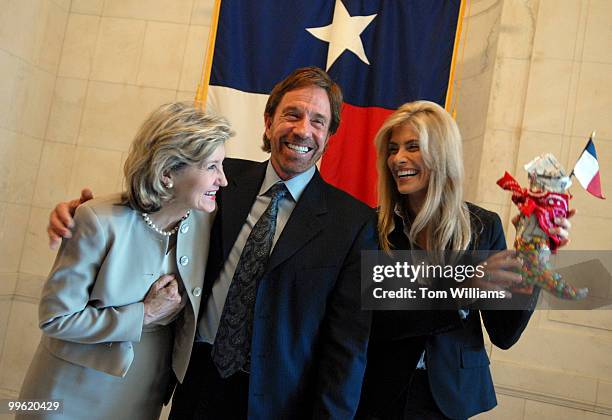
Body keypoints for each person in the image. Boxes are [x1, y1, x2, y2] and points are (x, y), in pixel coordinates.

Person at [47, 67, 378, 419]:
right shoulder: (218, 177)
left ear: (329, 136)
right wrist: (83, 211)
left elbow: (347, 345)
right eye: (292, 114)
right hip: (195, 383)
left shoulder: (354, 223)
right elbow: (148, 207)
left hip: (277, 404)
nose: (302, 129)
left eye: (317, 121)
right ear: (268, 121)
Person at [357, 100, 573, 419]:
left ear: (442, 154)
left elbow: (504, 333)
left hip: (452, 398)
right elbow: (374, 318)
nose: (398, 158)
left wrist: (536, 250)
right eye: (393, 149)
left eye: (412, 147)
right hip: (380, 392)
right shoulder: (369, 228)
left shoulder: (483, 226)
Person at [21, 102, 231, 420]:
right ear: (167, 174)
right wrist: (143, 315)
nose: (224, 180)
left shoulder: (208, 220)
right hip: (68, 390)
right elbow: (55, 319)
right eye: (212, 167)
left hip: (143, 390)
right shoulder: (97, 219)